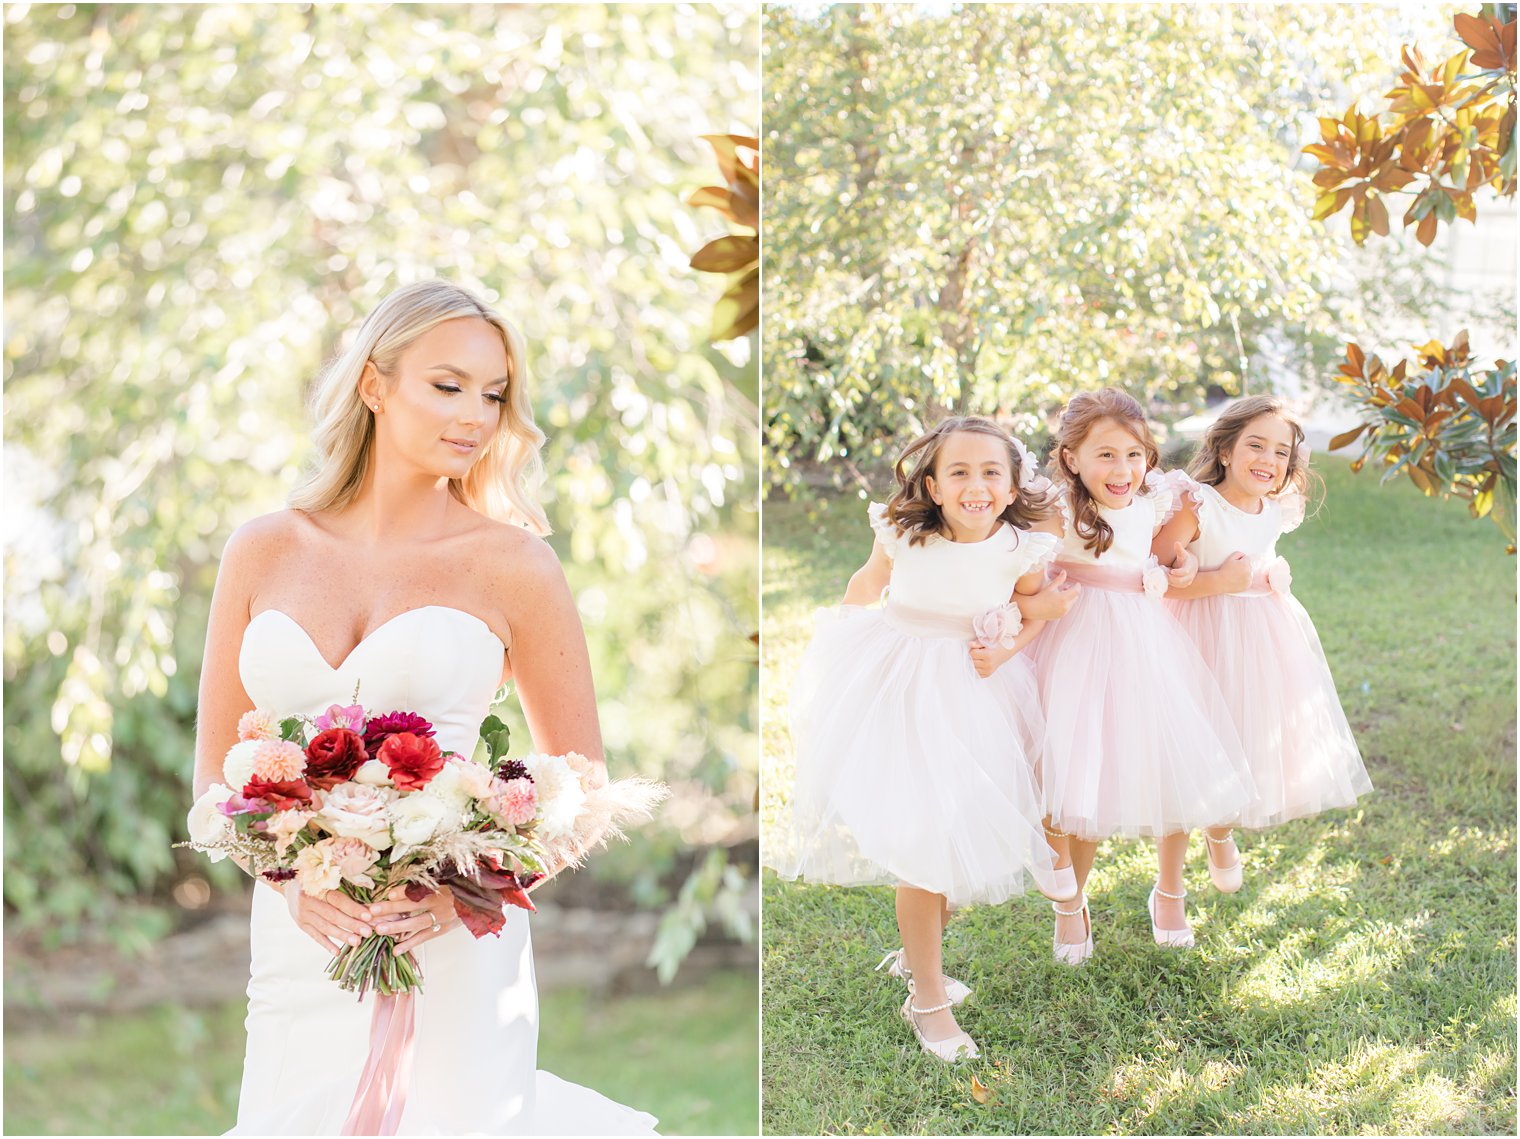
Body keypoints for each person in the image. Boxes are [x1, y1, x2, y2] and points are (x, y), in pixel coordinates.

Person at [191, 280, 658, 1134]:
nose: (475, 416)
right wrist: (295, 883)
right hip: (302, 943)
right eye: (448, 386)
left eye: (494, 394)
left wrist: (466, 897)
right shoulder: (261, 549)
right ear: (375, 385)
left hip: (450, 940)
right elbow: (212, 783)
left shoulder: (513, 565)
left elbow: (585, 787)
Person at [767, 415, 1077, 1063]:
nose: (976, 485)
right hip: (901, 688)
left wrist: (1009, 644)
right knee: (925, 846)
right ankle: (928, 1000)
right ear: (933, 487)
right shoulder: (906, 534)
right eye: (959, 472)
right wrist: (835, 663)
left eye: (992, 471)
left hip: (974, 695)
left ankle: (917, 960)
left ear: (1014, 482)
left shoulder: (1019, 548)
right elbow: (864, 588)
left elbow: (1037, 607)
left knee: (955, 841)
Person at [1032, 388, 1254, 963]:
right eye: (1105, 455)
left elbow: (1163, 559)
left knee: (1118, 773)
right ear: (1072, 458)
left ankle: (1141, 893)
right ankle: (1069, 903)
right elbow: (1017, 565)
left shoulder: (1156, 499)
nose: (1123, 469)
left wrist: (1177, 566)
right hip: (1066, 640)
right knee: (1063, 774)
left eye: (1134, 454)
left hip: (1138, 643)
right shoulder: (1052, 507)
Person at [1154, 395, 1372, 890]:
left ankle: (1220, 828)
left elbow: (1256, 560)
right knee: (1187, 757)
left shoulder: (1274, 509)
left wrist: (1259, 577)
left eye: (1281, 452)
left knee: (1242, 741)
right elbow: (1152, 577)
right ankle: (1169, 889)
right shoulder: (1196, 503)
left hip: (1257, 641)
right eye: (1256, 445)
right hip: (1192, 637)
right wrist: (1218, 582)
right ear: (1226, 450)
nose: (1269, 461)